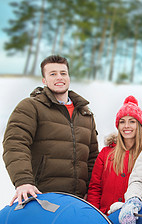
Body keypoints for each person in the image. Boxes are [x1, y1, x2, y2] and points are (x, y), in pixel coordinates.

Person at [3, 55, 99, 205]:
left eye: (63, 73)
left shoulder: (85, 114)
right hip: (40, 197)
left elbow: (92, 158)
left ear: (69, 77)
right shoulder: (31, 107)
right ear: (44, 80)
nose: (59, 77)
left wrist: (91, 192)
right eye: (52, 74)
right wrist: (23, 181)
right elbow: (15, 143)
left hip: (78, 202)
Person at [87, 96, 142, 215]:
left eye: (132, 121)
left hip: (138, 217)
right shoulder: (106, 153)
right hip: (107, 216)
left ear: (139, 125)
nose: (126, 126)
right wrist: (95, 215)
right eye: (122, 121)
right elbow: (95, 188)